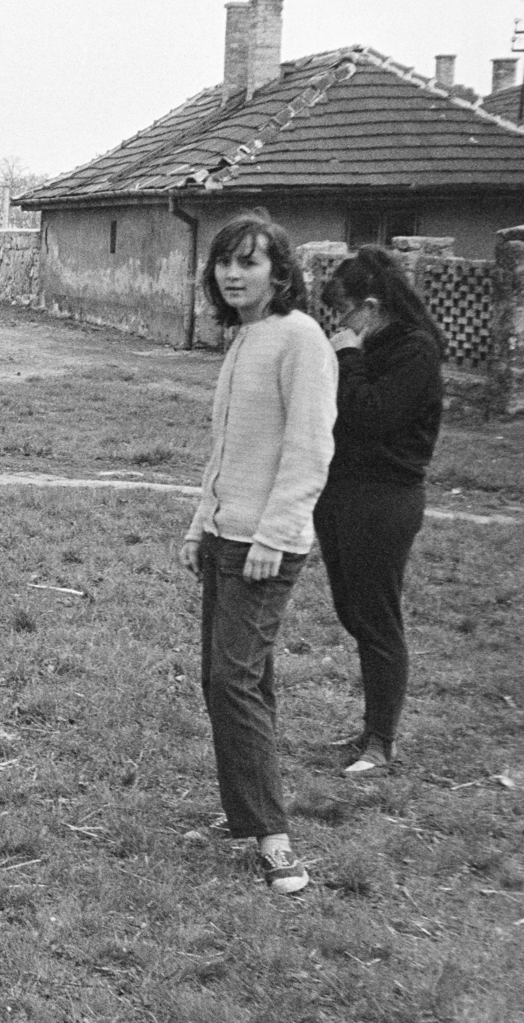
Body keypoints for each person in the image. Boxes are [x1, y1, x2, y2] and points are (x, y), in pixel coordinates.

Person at [180, 213, 337, 896]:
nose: (233, 273)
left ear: (281, 272)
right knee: (240, 679)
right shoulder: (246, 336)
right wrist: (198, 524)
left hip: (263, 545)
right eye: (224, 262)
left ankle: (275, 841)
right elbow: (227, 449)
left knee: (231, 680)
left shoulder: (301, 339)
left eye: (249, 262)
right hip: (225, 536)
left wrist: (274, 535)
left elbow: (309, 448)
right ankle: (247, 812)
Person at [314, 247, 444, 779]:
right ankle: (373, 725)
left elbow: (369, 415)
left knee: (377, 619)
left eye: (343, 313)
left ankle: (381, 741)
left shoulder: (415, 350)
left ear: (371, 305)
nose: (338, 324)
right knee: (354, 611)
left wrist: (346, 355)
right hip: (341, 492)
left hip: (384, 498)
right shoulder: (371, 346)